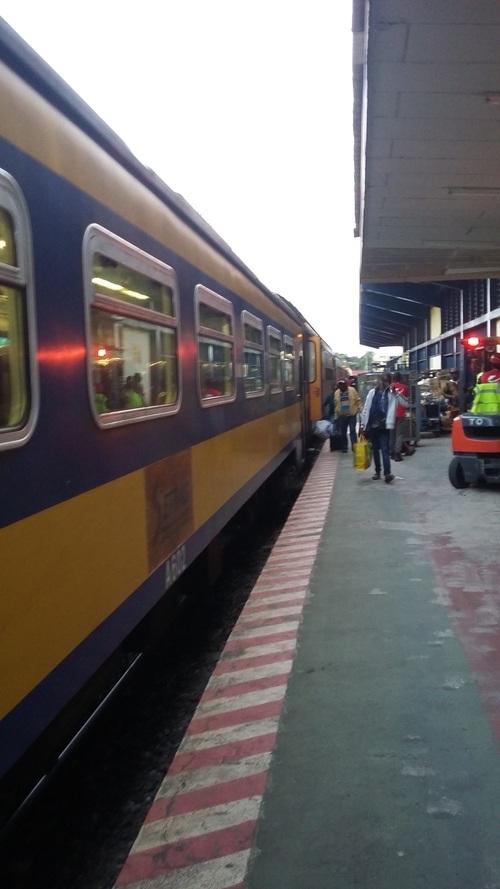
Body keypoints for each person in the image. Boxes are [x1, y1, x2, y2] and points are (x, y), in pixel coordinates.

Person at [359, 372, 409, 483]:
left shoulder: (392, 394)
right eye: (385, 381)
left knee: (385, 449)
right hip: (373, 425)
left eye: (389, 381)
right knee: (376, 450)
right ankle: (378, 472)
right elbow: (366, 408)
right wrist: (363, 424)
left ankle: (387, 473)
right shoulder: (372, 393)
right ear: (381, 381)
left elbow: (406, 404)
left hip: (385, 426)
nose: (387, 384)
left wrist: (397, 393)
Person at [333, 379, 363, 453]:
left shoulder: (352, 390)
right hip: (342, 415)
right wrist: (336, 417)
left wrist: (361, 410)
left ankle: (354, 446)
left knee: (352, 430)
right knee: (343, 432)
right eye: (340, 384)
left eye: (343, 384)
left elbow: (358, 400)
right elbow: (336, 405)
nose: (342, 386)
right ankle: (344, 447)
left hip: (352, 414)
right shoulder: (336, 393)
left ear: (346, 384)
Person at [390, 371, 408, 462]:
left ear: (393, 378)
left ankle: (392, 452)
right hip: (401, 413)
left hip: (391, 413)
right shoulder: (405, 388)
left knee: (392, 433)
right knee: (399, 434)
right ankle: (398, 453)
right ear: (400, 378)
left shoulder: (389, 387)